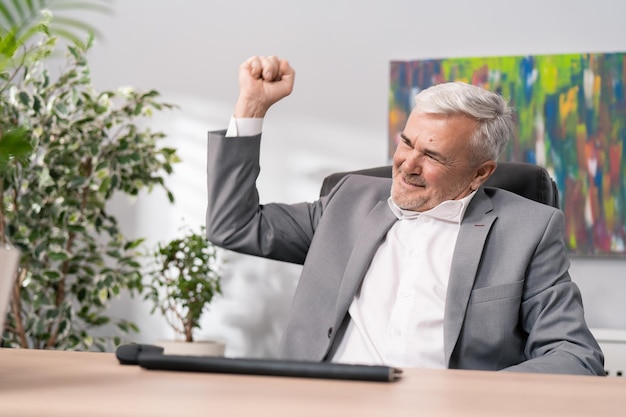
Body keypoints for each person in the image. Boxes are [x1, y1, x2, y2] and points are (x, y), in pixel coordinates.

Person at [206, 55, 604, 375]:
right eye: (406, 143)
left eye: (431, 155)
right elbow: (233, 225)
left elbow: (573, 353)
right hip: (320, 401)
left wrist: (474, 399)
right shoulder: (349, 201)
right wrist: (252, 107)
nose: (406, 165)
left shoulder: (527, 230)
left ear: (480, 173)